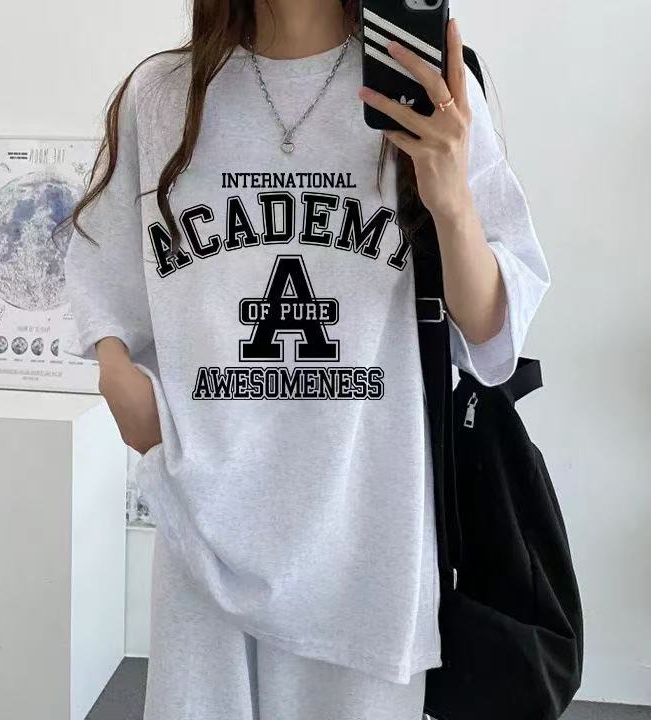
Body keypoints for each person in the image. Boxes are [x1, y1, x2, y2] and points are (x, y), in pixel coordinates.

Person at [60, 1, 551, 717]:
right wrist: (117, 376)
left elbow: (491, 335)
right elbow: (102, 265)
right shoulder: (163, 95)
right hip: (204, 508)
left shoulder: (424, 86)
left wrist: (451, 201)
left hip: (367, 526)